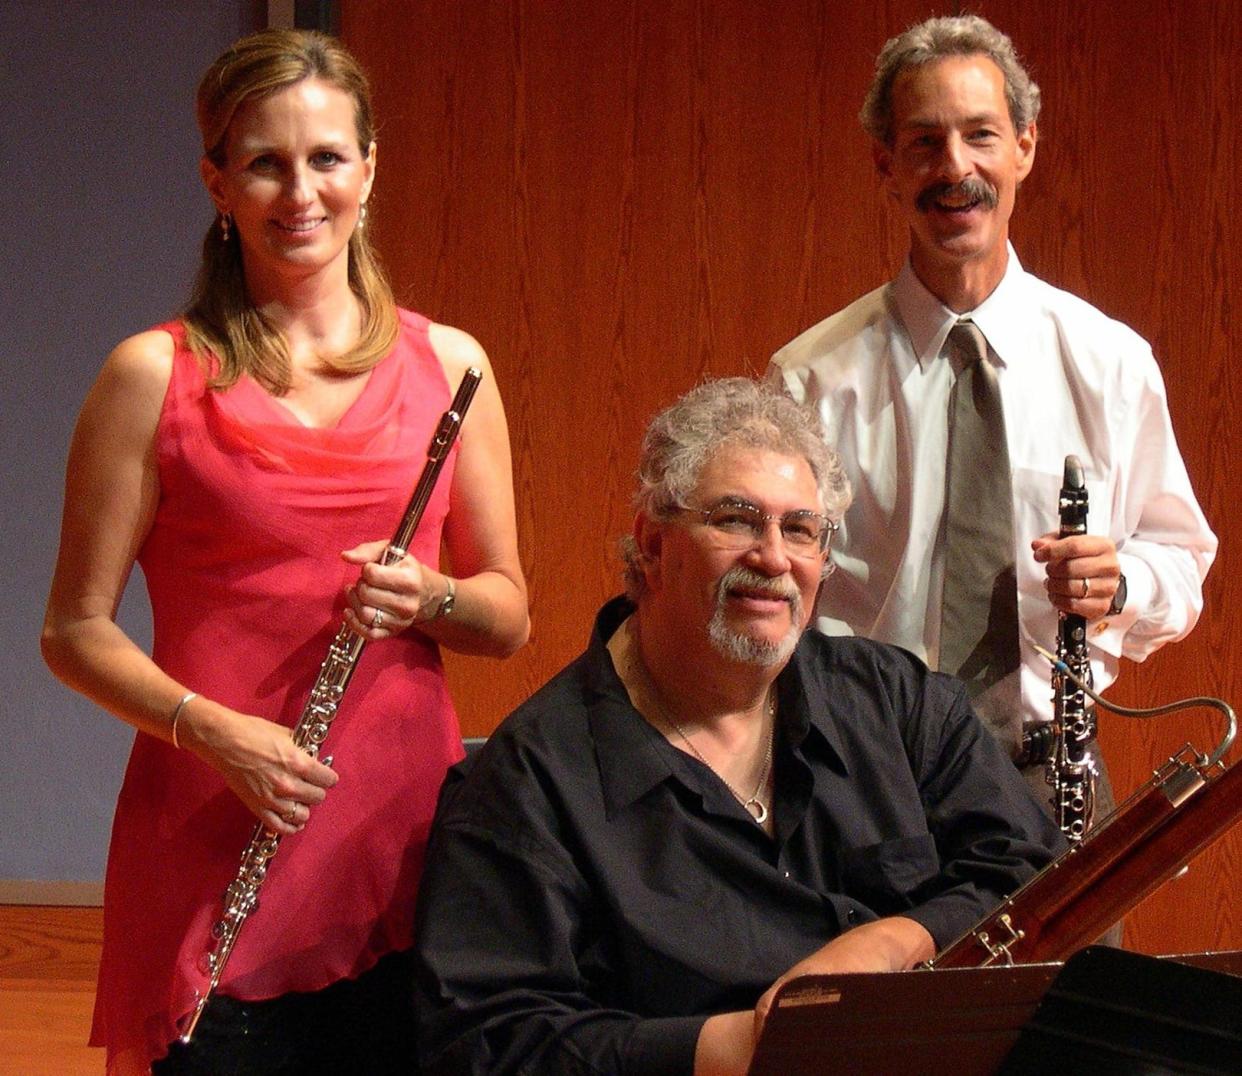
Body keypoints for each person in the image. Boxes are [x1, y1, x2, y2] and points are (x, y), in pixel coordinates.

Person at [40, 29, 528, 1076]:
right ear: (217, 179)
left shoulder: (453, 363)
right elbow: (72, 631)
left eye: (325, 158)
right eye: (264, 161)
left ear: (368, 166)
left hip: (399, 841)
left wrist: (432, 593)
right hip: (214, 822)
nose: (298, 191)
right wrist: (216, 732)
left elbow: (508, 612)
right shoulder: (151, 374)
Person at [412, 379, 1063, 1075]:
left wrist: (895, 941)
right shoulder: (526, 782)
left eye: (801, 530)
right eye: (736, 520)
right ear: (653, 545)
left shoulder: (896, 702)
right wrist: (741, 1050)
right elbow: (489, 1045)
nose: (774, 558)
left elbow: (1036, 871)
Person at [767, 15, 1216, 816]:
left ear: (1025, 149)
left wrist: (1121, 585)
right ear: (886, 166)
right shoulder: (809, 381)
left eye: (980, 135)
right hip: (868, 783)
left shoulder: (1110, 362)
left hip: (1053, 780)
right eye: (924, 143)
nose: (955, 168)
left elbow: (1181, 559)